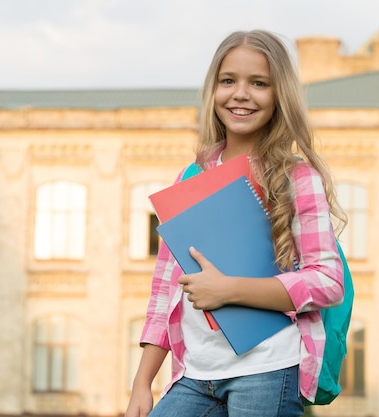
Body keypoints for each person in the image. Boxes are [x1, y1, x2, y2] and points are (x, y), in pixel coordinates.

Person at [125, 29, 347, 417]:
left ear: (280, 96)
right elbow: (164, 290)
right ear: (214, 90)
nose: (240, 93)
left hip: (267, 369)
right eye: (228, 81)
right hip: (195, 373)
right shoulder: (191, 176)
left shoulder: (297, 178)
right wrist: (142, 383)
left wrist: (229, 290)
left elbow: (328, 281)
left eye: (259, 83)